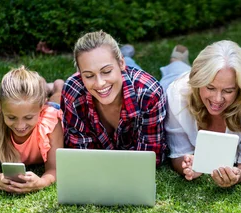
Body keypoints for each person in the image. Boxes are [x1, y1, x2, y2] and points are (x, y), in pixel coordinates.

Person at [166, 40, 241, 188]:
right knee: (175, 70)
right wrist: (187, 166)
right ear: (198, 82)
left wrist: (239, 174)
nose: (217, 99)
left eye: (228, 91)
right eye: (210, 88)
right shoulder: (176, 94)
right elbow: (178, 153)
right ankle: (177, 60)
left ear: (239, 89)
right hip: (175, 79)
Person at [61, 31, 166, 164]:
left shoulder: (149, 93)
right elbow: (80, 154)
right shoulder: (73, 90)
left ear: (121, 63)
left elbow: (151, 156)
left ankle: (177, 59)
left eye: (106, 71)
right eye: (88, 75)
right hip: (123, 74)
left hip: (152, 80)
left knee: (175, 71)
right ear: (79, 73)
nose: (100, 83)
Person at [0, 66, 64, 194]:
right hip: (38, 102)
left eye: (28, 117)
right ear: (2, 108)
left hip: (51, 107)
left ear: (41, 108)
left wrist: (41, 182)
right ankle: (43, 85)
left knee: (57, 99)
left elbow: (54, 169)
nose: (20, 125)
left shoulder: (51, 123)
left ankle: (57, 86)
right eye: (11, 117)